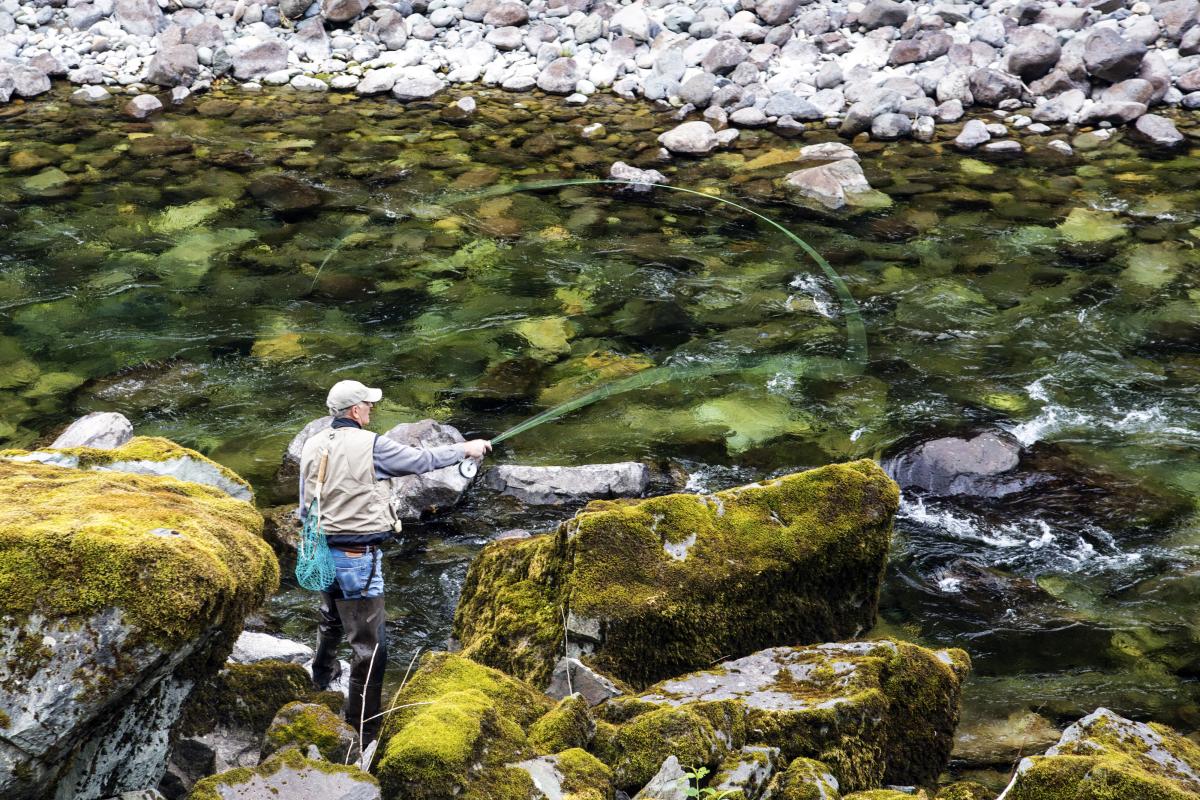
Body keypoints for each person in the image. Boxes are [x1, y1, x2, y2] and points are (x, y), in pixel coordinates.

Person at [298, 379, 491, 746]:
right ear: (355, 411)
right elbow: (421, 462)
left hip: (320, 551)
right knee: (371, 649)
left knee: (331, 617)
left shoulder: (313, 443)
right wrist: (466, 449)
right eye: (368, 404)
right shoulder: (371, 446)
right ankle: (364, 729)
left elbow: (305, 499)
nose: (371, 409)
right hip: (358, 557)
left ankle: (321, 676)